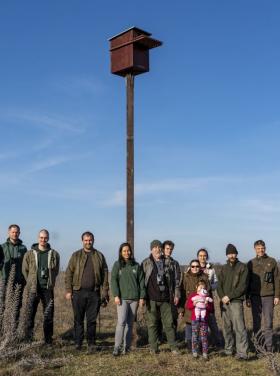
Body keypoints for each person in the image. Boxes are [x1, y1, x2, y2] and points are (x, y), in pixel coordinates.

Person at [65, 231, 109, 353]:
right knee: (78, 319)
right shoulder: (76, 255)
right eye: (86, 240)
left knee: (92, 320)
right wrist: (69, 290)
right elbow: (69, 273)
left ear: (93, 240)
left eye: (90, 240)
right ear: (82, 241)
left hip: (94, 293)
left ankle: (91, 344)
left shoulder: (99, 255)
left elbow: (105, 274)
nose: (88, 242)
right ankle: (78, 344)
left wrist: (105, 292)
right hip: (78, 292)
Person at [142, 240, 179, 354]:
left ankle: (173, 347)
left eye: (159, 247)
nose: (157, 249)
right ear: (151, 249)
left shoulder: (168, 262)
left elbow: (176, 281)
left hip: (166, 299)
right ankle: (153, 347)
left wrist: (176, 294)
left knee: (169, 324)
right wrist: (142, 297)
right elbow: (141, 281)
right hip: (151, 298)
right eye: (155, 247)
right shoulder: (146, 263)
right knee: (152, 324)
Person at [22, 229, 60, 344]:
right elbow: (25, 270)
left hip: (47, 289)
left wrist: (50, 282)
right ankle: (28, 339)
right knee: (30, 314)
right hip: (33, 289)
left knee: (48, 314)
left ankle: (48, 340)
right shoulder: (29, 253)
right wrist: (31, 282)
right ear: (38, 238)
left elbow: (56, 271)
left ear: (48, 238)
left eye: (45, 238)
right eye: (41, 238)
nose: (43, 240)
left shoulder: (54, 254)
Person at [111, 242, 145, 356]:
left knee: (130, 324)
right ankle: (117, 347)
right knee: (121, 322)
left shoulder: (136, 265)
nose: (127, 252)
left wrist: (141, 297)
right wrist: (116, 295)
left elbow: (141, 282)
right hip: (122, 299)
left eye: (128, 250)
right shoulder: (117, 265)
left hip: (134, 299)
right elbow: (113, 280)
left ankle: (127, 347)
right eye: (124, 251)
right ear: (121, 252)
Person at [217, 243, 248, 360]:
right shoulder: (223, 268)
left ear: (236, 254)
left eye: (234, 253)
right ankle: (228, 349)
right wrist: (222, 297)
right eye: (230, 253)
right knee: (226, 327)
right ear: (227, 255)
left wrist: (229, 296)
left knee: (239, 327)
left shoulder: (242, 267)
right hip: (224, 302)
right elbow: (218, 285)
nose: (232, 255)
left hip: (236, 301)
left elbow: (242, 286)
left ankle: (242, 353)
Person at [247, 239, 279, 352]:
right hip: (255, 297)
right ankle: (258, 347)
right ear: (255, 249)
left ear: (265, 248)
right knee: (256, 323)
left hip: (269, 296)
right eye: (258, 248)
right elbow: (247, 281)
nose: (260, 250)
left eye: (262, 248)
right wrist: (247, 298)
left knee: (268, 322)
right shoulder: (251, 263)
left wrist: (277, 296)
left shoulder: (272, 261)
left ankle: (269, 348)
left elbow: (277, 279)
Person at [178, 259, 209, 351]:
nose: (195, 268)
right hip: (188, 306)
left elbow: (208, 292)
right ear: (190, 267)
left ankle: (199, 345)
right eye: (193, 266)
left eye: (197, 266)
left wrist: (207, 305)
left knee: (200, 326)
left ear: (200, 267)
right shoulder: (185, 277)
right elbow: (182, 294)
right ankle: (189, 344)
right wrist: (180, 310)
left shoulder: (204, 277)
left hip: (201, 307)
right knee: (189, 326)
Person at [0, 224, 27, 325]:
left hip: (18, 282)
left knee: (16, 306)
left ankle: (13, 331)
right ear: (9, 232)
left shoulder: (23, 248)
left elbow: (26, 266)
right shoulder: (2, 247)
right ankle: (2, 332)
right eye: (13, 232)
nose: (15, 234)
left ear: (19, 233)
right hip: (4, 281)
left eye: (17, 232)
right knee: (2, 306)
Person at [197, 248, 222, 348]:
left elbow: (216, 283)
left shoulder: (211, 269)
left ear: (206, 257)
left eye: (204, 256)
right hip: (198, 299)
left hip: (208, 298)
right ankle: (201, 344)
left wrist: (210, 287)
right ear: (198, 257)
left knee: (211, 321)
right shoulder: (194, 267)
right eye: (200, 256)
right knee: (199, 322)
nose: (202, 257)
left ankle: (218, 342)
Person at [186, 280, 214, 360]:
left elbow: (211, 309)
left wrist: (207, 305)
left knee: (204, 336)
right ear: (196, 287)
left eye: (203, 287)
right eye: (200, 287)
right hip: (195, 320)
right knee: (195, 336)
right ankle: (195, 352)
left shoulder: (207, 297)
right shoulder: (193, 296)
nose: (201, 288)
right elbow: (188, 306)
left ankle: (205, 352)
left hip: (204, 320)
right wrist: (194, 304)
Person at [162, 240, 181, 330]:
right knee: (160, 316)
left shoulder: (175, 263)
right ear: (163, 249)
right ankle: (160, 336)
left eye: (171, 249)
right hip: (160, 293)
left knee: (173, 315)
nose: (169, 251)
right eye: (167, 249)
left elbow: (177, 280)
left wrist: (176, 295)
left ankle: (173, 335)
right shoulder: (158, 261)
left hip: (171, 292)